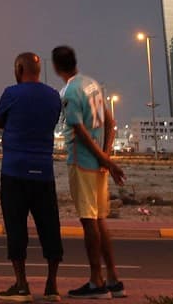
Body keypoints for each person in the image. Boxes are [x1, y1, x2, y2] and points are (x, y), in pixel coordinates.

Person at [53, 45, 126, 299]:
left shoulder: (70, 92)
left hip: (82, 163)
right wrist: (106, 158)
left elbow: (80, 131)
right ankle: (113, 277)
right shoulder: (92, 84)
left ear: (55, 67)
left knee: (88, 221)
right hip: (98, 165)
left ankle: (96, 282)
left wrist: (104, 158)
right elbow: (111, 122)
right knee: (100, 219)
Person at [0, 52, 64, 303]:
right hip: (44, 171)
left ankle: (21, 285)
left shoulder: (11, 93)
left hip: (15, 170)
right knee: (50, 226)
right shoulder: (54, 96)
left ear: (19, 69)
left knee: (16, 227)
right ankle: (52, 284)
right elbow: (53, 120)